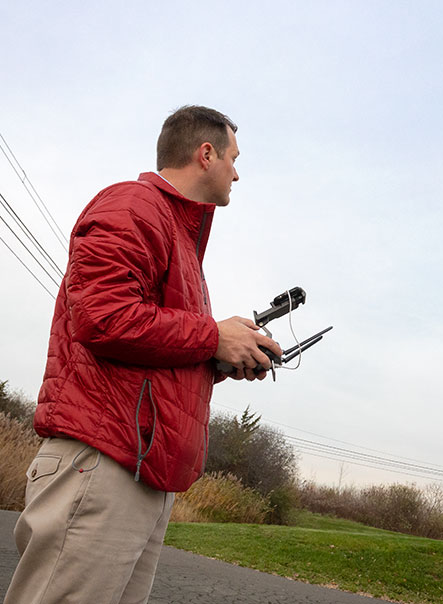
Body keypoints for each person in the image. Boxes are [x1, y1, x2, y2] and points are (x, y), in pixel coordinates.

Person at [3, 105, 284, 604]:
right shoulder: (132, 206)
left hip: (143, 476)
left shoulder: (182, 244)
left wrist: (221, 357)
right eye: (233, 158)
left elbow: (155, 348)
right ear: (205, 154)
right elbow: (103, 317)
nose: (237, 172)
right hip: (101, 462)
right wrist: (211, 337)